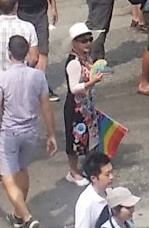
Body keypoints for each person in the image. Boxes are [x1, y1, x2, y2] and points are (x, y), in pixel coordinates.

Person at [0, 35, 58, 228]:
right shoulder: (38, 76)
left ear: (9, 53)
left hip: (10, 133)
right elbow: (46, 107)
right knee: (23, 170)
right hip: (31, 131)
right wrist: (51, 134)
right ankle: (18, 214)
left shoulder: (1, 79)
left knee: (7, 177)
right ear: (27, 52)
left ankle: (27, 217)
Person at [64, 22, 104, 186]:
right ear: (74, 43)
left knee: (90, 137)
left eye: (89, 39)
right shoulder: (74, 63)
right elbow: (73, 88)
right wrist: (91, 82)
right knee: (75, 140)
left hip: (86, 105)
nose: (87, 43)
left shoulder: (86, 58)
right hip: (75, 107)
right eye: (83, 40)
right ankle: (73, 171)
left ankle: (89, 167)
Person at [74, 152, 115, 228]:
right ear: (93, 178)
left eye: (112, 172)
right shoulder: (85, 204)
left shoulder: (109, 190)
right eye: (107, 174)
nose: (111, 177)